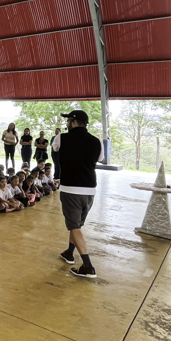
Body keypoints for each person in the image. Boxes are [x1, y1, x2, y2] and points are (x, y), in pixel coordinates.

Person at [54, 110, 104, 279]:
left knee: (74, 226)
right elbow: (102, 160)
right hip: (90, 190)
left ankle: (88, 266)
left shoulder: (61, 138)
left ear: (74, 122)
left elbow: (54, 149)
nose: (67, 123)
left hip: (70, 189)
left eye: (68, 120)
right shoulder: (97, 141)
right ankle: (69, 252)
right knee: (76, 224)